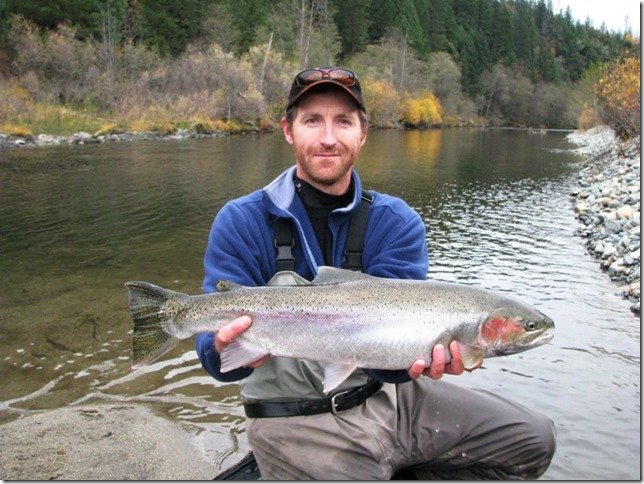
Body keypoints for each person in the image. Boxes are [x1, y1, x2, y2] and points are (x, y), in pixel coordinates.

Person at [195, 67, 556, 479]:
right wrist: (228, 350)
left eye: (343, 121)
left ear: (363, 132)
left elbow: (390, 363)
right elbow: (212, 358)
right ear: (288, 130)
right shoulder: (241, 221)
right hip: (293, 416)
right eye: (313, 120)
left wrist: (420, 361)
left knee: (533, 439)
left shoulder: (396, 222)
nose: (328, 138)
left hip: (390, 398)